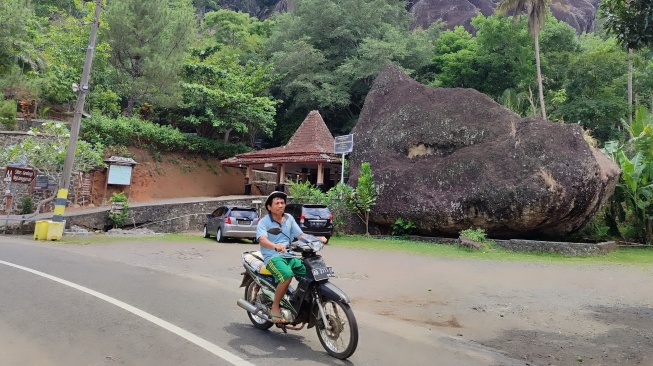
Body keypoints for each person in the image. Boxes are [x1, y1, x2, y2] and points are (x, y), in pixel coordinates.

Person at [256, 191, 326, 323]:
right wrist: (275, 246)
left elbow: (301, 235)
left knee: (309, 274)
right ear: (269, 207)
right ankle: (275, 307)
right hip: (273, 256)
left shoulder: (288, 218)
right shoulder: (264, 222)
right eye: (277, 203)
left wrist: (317, 239)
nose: (281, 205)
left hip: (289, 255)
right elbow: (262, 240)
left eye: (282, 203)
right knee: (287, 275)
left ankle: (296, 302)